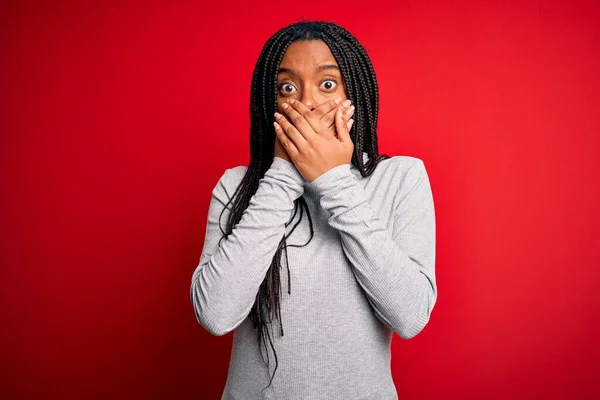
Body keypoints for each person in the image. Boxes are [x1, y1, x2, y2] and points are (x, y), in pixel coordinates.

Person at [190, 20, 437, 400]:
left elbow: (409, 316)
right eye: (287, 87)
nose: (306, 103)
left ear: (354, 95)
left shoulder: (400, 178)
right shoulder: (236, 187)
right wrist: (284, 174)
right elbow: (215, 314)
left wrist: (334, 179)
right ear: (269, 103)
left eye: (327, 84)